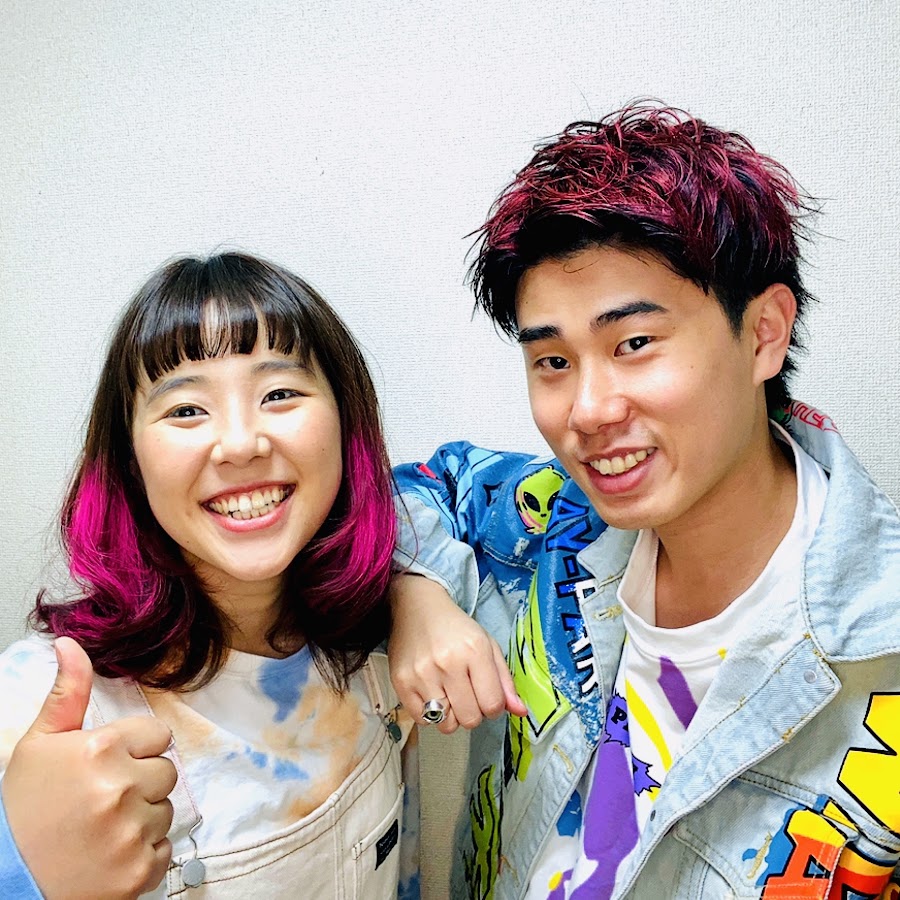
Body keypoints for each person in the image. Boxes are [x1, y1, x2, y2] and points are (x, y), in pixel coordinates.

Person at [388, 105, 900, 899]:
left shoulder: (879, 645)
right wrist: (413, 592)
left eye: (633, 344)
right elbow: (411, 491)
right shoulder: (552, 520)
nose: (588, 410)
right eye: (553, 361)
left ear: (764, 333)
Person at [0, 252, 419, 899]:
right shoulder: (41, 706)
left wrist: (422, 594)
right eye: (187, 410)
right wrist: (20, 865)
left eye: (279, 394)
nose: (241, 444)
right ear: (131, 460)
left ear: (346, 424)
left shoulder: (378, 645)